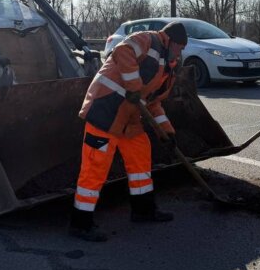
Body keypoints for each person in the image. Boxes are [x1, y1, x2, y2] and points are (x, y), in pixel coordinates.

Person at [69, 22, 188, 242]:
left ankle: (143, 210)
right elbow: (122, 51)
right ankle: (80, 223)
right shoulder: (148, 40)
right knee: (94, 169)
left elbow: (153, 104)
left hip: (129, 119)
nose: (180, 52)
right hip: (104, 112)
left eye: (182, 49)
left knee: (141, 158)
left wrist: (167, 132)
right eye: (179, 47)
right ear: (169, 39)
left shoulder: (167, 69)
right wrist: (133, 85)